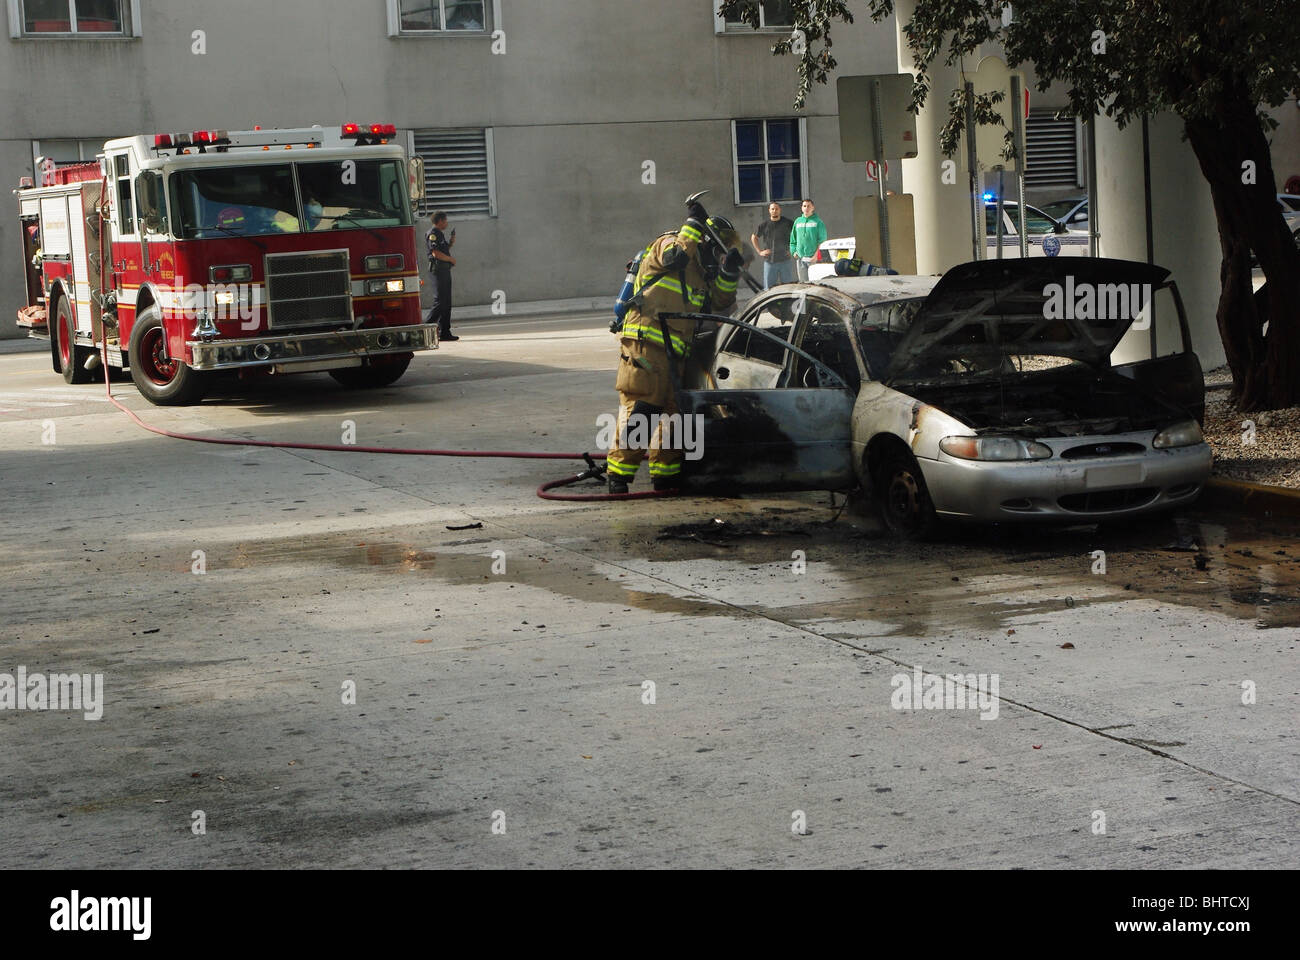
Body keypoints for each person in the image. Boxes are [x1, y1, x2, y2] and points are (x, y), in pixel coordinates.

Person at [606, 203, 743, 493]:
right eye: (719, 251)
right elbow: (675, 256)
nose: (718, 258)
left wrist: (729, 273)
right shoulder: (668, 244)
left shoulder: (703, 273)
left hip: (676, 353)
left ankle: (665, 475)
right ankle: (618, 475)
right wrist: (692, 225)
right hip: (645, 346)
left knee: (674, 415)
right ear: (706, 241)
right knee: (643, 411)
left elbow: (720, 304)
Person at [426, 211, 458, 341]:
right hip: (438, 271)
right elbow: (435, 253)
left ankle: (445, 331)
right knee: (440, 301)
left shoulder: (440, 234)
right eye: (445, 220)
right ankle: (426, 328)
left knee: (446, 302)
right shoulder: (433, 234)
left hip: (444, 271)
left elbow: (442, 249)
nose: (446, 223)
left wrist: (451, 242)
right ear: (440, 221)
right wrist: (451, 259)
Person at [751, 202, 795, 289]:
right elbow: (753, 237)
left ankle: (787, 302)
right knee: (768, 289)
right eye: (772, 209)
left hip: (785, 260)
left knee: (788, 288)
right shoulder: (764, 225)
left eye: (776, 209)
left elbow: (798, 236)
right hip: (770, 261)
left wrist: (793, 250)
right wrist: (760, 251)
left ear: (780, 210)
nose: (774, 211)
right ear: (769, 211)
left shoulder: (788, 223)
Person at [789, 198, 828, 282]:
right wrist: (793, 251)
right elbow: (793, 239)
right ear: (802, 208)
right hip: (800, 258)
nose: (806, 208)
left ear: (813, 208)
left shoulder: (818, 222)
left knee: (815, 283)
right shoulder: (797, 221)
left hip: (814, 259)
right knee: (803, 283)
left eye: (808, 206)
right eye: (804, 206)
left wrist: (816, 256)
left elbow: (822, 241)